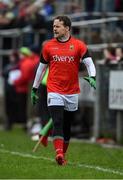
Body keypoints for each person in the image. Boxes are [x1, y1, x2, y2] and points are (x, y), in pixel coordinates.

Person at [31, 15, 96, 165]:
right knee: (57, 121)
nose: (54, 29)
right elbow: (41, 70)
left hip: (72, 91)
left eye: (58, 26)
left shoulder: (79, 45)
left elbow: (90, 64)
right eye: (53, 26)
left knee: (67, 125)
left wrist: (93, 76)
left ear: (67, 28)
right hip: (54, 89)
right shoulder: (48, 46)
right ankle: (58, 153)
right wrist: (34, 88)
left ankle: (63, 154)